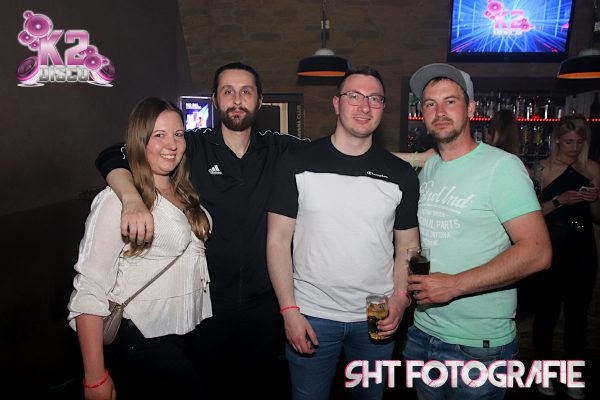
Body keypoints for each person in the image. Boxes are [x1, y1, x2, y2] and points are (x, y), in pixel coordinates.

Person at [94, 62, 308, 398]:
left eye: (246, 91)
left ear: (259, 100)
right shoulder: (189, 145)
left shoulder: (279, 149)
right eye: (227, 91)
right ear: (215, 99)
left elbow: (334, 154)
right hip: (205, 308)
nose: (237, 99)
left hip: (262, 307)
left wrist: (397, 161)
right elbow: (114, 153)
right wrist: (130, 197)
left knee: (258, 387)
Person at [267, 66, 420, 400]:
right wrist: (289, 311)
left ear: (383, 107)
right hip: (312, 313)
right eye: (354, 96)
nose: (364, 106)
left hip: (376, 316)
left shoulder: (401, 174)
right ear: (337, 104)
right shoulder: (296, 162)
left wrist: (400, 298)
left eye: (375, 99)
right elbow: (277, 241)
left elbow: (408, 246)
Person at [402, 63, 552, 400]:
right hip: (423, 333)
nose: (440, 112)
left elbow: (538, 252)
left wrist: (455, 284)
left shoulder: (502, 167)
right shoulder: (430, 168)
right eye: (430, 104)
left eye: (450, 101)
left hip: (477, 347)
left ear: (470, 109)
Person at [67, 97, 212, 400]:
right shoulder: (118, 200)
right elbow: (89, 288)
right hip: (141, 337)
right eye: (159, 135)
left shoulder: (183, 189)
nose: (171, 144)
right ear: (139, 141)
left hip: (188, 334)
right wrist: (94, 376)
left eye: (178, 134)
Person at [532, 116, 600, 399]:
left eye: (579, 142)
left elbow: (597, 217)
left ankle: (574, 376)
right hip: (552, 245)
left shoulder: (592, 168)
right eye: (569, 141)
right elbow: (532, 215)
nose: (574, 147)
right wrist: (561, 200)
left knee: (577, 316)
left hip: (583, 247)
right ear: (557, 140)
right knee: (546, 314)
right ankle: (542, 373)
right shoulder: (543, 169)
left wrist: (594, 200)